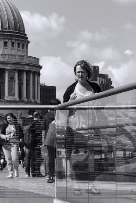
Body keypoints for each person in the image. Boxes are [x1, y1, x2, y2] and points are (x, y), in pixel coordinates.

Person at [63, 60, 102, 195]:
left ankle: (91, 185)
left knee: (92, 158)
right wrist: (70, 102)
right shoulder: (70, 89)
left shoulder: (95, 88)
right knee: (76, 158)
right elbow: (63, 110)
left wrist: (99, 102)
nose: (80, 74)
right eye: (78, 72)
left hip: (91, 126)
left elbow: (101, 108)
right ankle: (76, 185)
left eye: (82, 71)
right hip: (75, 128)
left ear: (87, 73)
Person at [0, 113, 24, 179]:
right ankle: (10, 173)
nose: (9, 119)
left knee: (14, 158)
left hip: (14, 143)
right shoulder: (4, 126)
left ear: (13, 118)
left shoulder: (17, 126)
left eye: (10, 118)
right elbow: (0, 135)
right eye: (8, 118)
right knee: (8, 159)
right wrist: (6, 136)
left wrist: (16, 136)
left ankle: (16, 169)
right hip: (6, 144)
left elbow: (21, 134)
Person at [44, 98, 61, 183]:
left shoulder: (46, 115)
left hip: (49, 139)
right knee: (60, 158)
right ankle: (58, 174)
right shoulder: (60, 114)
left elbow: (43, 128)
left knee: (50, 158)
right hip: (59, 137)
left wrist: (43, 141)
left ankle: (49, 175)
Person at [24, 111, 45, 178]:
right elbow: (39, 134)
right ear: (38, 116)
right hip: (36, 143)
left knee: (29, 158)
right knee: (37, 158)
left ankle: (28, 173)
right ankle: (36, 173)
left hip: (28, 143)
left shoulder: (29, 122)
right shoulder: (38, 123)